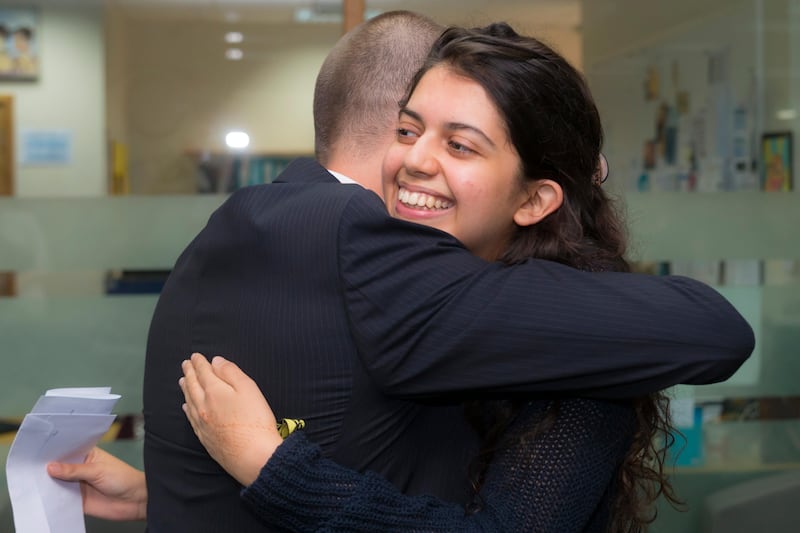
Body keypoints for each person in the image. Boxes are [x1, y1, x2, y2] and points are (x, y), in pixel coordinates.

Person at [50, 11, 753, 532]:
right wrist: (165, 491)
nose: (415, 160)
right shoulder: (414, 289)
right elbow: (406, 470)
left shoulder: (573, 348)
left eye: (462, 144)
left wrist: (276, 469)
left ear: (537, 197)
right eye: (409, 130)